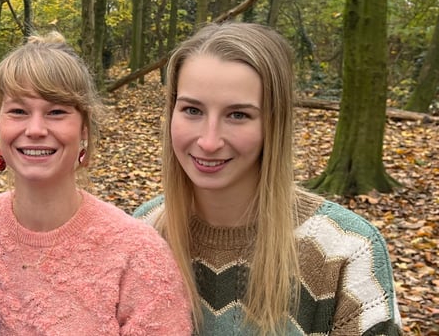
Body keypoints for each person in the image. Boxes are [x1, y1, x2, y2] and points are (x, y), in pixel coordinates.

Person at [133, 22, 402, 335]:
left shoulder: (346, 251)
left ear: (275, 124)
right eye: (192, 110)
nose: (209, 141)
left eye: (238, 115)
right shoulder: (145, 231)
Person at [0, 32, 192, 335]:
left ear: (84, 128)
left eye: (56, 112)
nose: (36, 129)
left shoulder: (137, 254)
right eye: (18, 111)